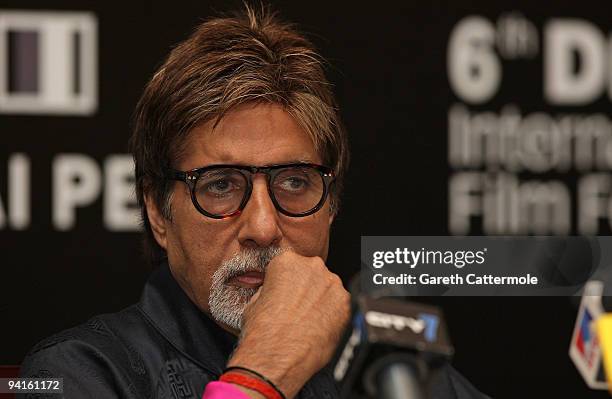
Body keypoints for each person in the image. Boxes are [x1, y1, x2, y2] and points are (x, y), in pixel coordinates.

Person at [19, 5, 487, 399]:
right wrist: (261, 376)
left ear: (332, 204)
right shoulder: (79, 375)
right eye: (220, 185)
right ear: (159, 212)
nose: (263, 227)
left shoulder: (401, 377)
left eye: (294, 183)